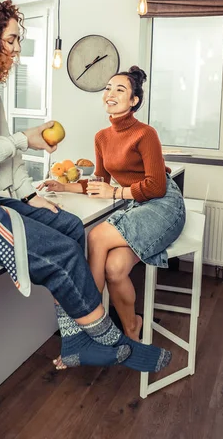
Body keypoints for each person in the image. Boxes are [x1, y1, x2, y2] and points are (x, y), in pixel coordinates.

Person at [0, 0, 172, 374]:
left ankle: (75, 338)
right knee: (60, 253)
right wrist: (21, 140)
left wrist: (30, 195)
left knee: (69, 226)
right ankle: (110, 342)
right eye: (12, 39)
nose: (16, 49)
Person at [41, 66, 185, 368]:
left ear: (133, 100)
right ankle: (131, 328)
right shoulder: (102, 137)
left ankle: (89, 335)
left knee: (95, 236)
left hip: (163, 205)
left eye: (120, 89)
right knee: (114, 267)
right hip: (137, 205)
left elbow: (156, 186)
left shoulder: (146, 134)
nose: (110, 94)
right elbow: (101, 181)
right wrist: (64, 185)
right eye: (108, 88)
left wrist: (117, 195)